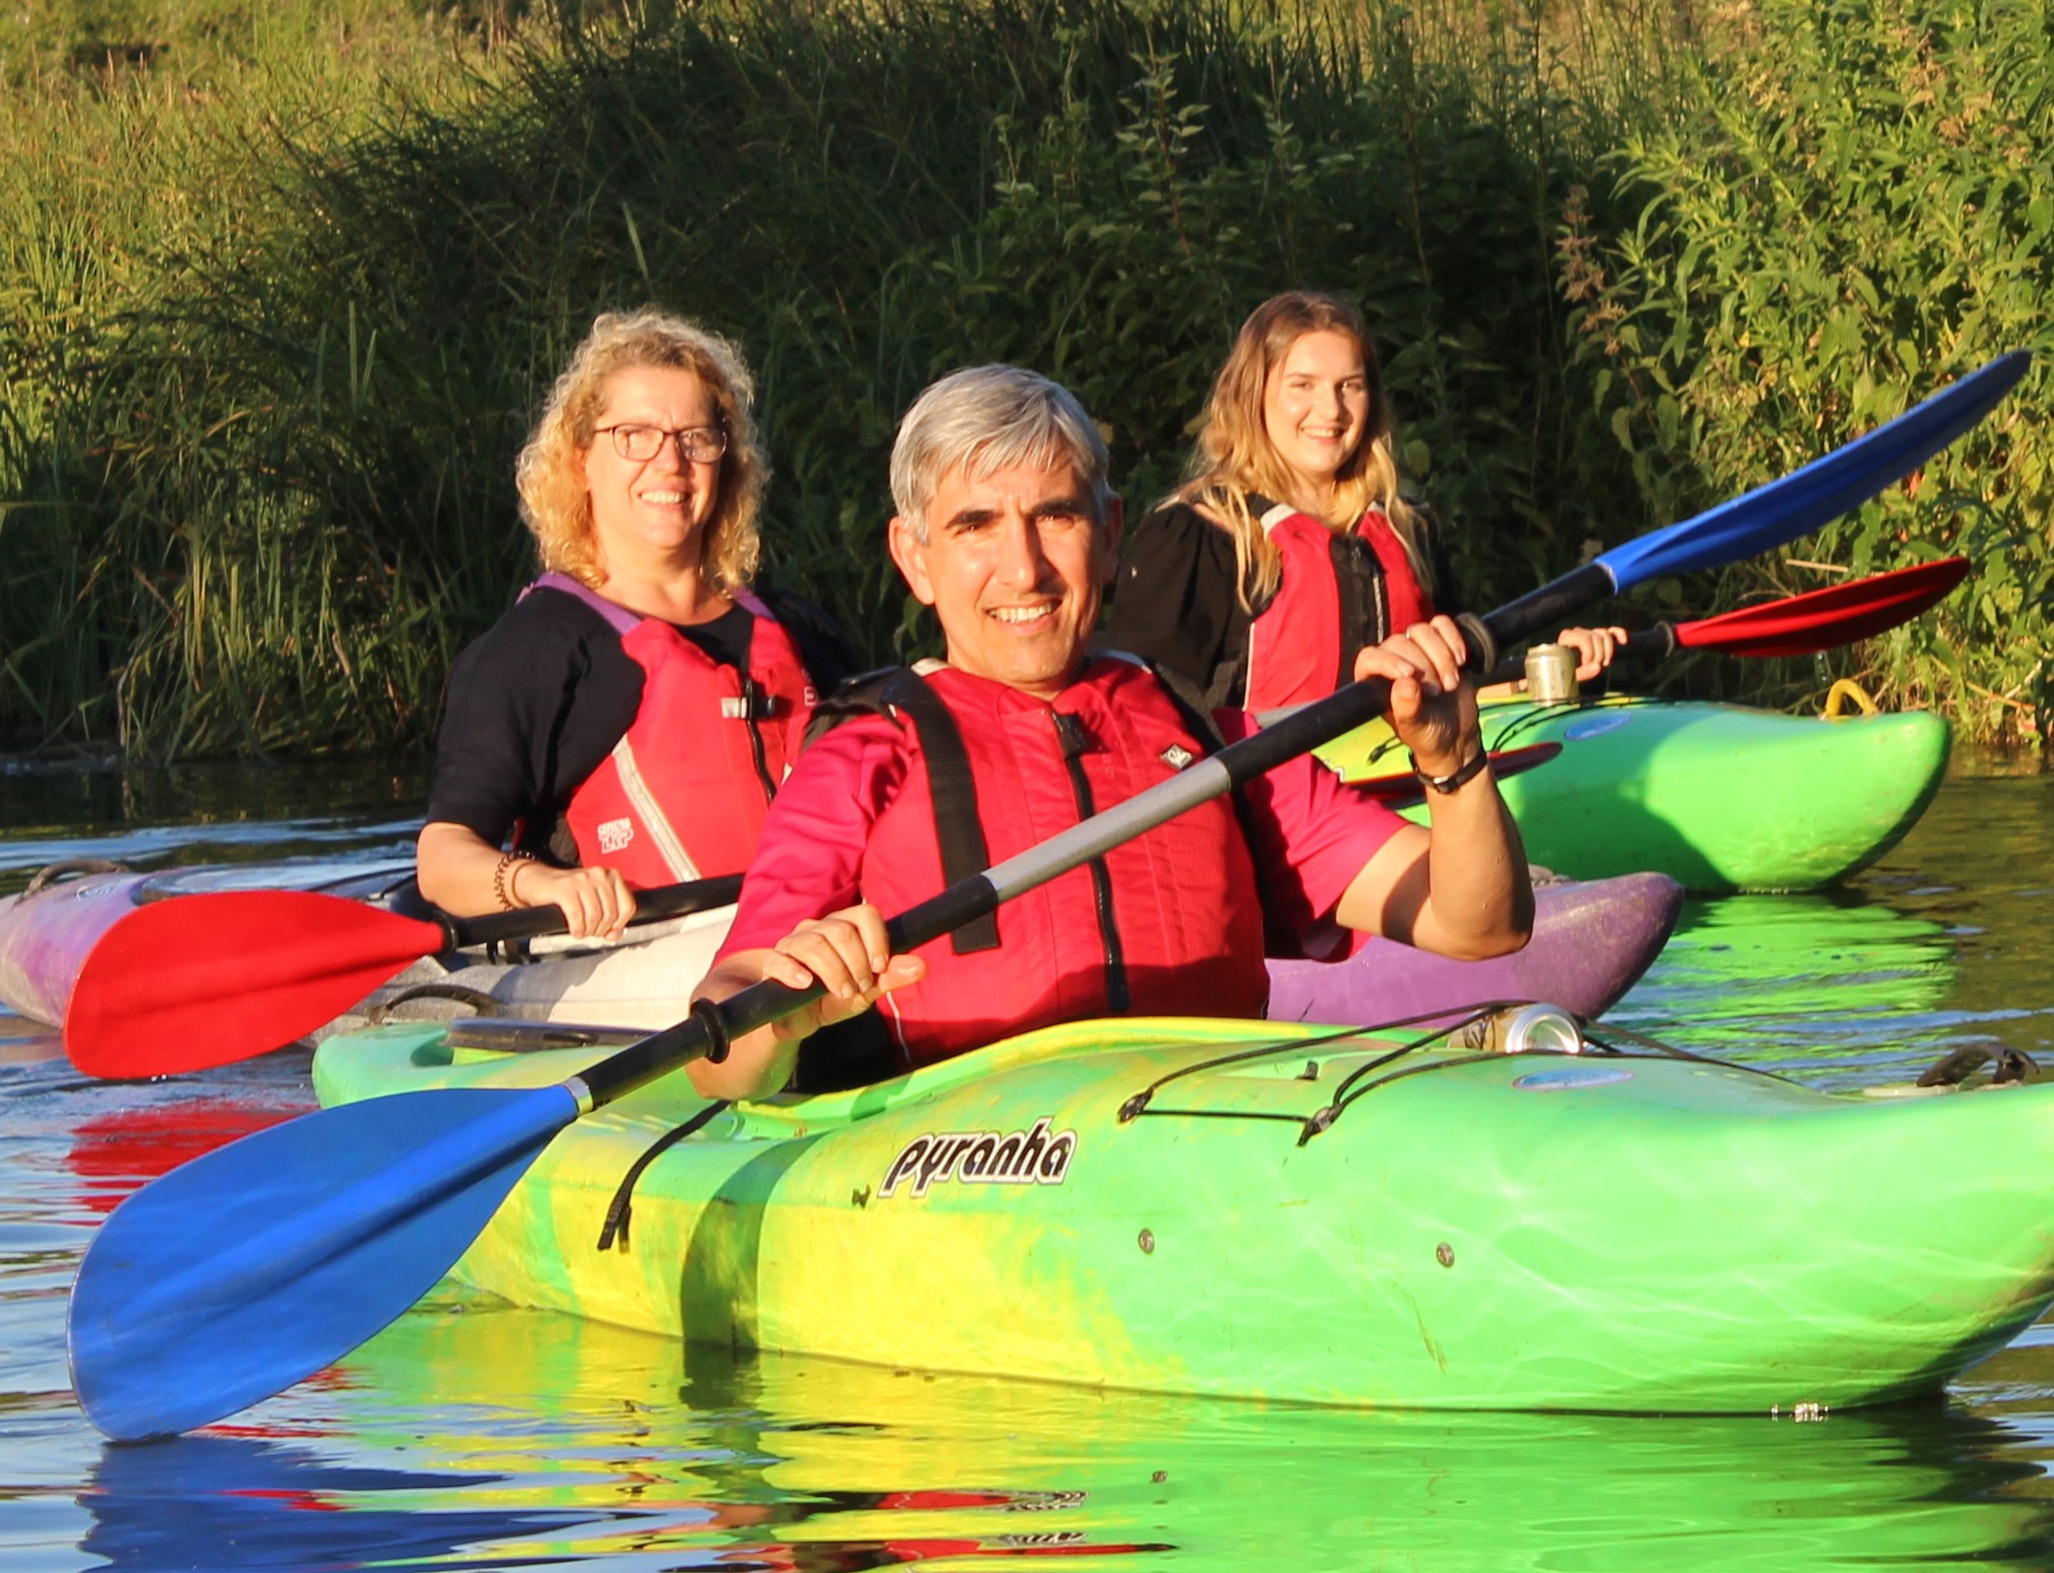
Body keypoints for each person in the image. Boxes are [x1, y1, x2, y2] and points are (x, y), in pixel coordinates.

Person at [687, 364, 1532, 1101]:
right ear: (914, 557)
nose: (1024, 568)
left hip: (1213, 1137)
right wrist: (788, 1005)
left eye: (1056, 516)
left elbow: (1479, 924)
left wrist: (1454, 763)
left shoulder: (1210, 739)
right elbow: (719, 1046)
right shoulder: (867, 751)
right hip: (981, 1164)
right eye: (976, 526)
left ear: (1111, 531)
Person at [415, 310, 860, 936]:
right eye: (635, 435)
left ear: (725, 462)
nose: (670, 462)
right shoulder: (536, 646)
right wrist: (541, 884)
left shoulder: (800, 630)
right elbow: (441, 861)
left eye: (695, 438)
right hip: (636, 960)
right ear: (582, 463)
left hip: (818, 944)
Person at [1100, 289, 1623, 712]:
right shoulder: (1200, 537)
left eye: (1349, 385)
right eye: (1302, 385)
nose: (1331, 409)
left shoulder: (1408, 530)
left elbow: (1463, 690)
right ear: (1251, 394)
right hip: (1272, 803)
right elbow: (1139, 719)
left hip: (1413, 788)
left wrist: (1553, 671)